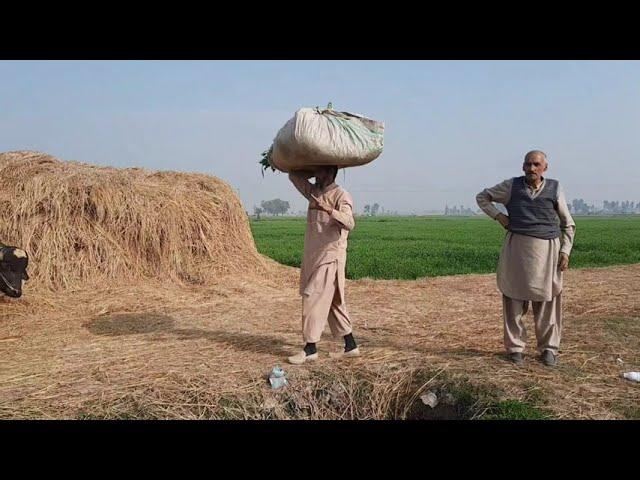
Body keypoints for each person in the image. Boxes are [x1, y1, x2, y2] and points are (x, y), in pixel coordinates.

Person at [476, 150, 576, 366]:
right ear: (522, 166)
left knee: (548, 301)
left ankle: (549, 349)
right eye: (528, 164)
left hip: (548, 252)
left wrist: (565, 251)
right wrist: (499, 216)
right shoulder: (511, 186)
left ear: (544, 168)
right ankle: (515, 348)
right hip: (517, 250)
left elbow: (567, 223)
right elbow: (482, 197)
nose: (531, 168)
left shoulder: (555, 188)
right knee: (513, 299)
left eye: (536, 164)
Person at [286, 166, 360, 364]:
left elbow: (349, 222)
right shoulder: (314, 193)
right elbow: (294, 175)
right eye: (315, 172)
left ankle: (310, 348)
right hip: (314, 256)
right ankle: (350, 345)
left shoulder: (341, 195)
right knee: (333, 303)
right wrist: (309, 167)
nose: (316, 176)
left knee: (313, 297)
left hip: (330, 257)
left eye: (319, 172)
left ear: (329, 173)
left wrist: (328, 209)